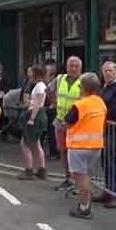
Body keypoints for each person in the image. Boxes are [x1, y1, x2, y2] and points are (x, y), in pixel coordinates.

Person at [65, 72, 107, 219]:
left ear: (82, 87)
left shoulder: (79, 105)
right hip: (96, 146)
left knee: (81, 178)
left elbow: (68, 120)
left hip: (79, 146)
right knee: (87, 176)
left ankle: (84, 207)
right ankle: (85, 204)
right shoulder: (100, 102)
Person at [95, 61, 116, 208]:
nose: (108, 73)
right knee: (106, 162)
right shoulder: (103, 88)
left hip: (113, 131)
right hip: (103, 130)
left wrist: (99, 112)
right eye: (105, 71)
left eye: (111, 71)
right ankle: (108, 191)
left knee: (115, 163)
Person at [51, 56, 83, 191]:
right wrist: (54, 103)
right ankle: (68, 178)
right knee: (63, 151)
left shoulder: (84, 81)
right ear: (67, 67)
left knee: (75, 153)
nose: (74, 68)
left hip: (76, 123)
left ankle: (78, 182)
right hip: (60, 121)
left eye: (76, 66)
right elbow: (49, 90)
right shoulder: (59, 79)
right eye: (71, 65)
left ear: (80, 68)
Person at [17, 65, 48, 180]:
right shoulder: (40, 86)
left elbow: (38, 104)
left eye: (31, 72)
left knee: (25, 143)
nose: (29, 73)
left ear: (36, 74)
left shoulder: (39, 86)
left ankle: (29, 171)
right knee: (36, 143)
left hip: (35, 115)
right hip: (36, 114)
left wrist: (31, 119)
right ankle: (41, 170)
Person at [44, 60, 60, 160]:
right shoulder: (57, 79)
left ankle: (55, 152)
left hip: (56, 109)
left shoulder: (58, 79)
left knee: (53, 132)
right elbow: (48, 89)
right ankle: (54, 151)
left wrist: (53, 103)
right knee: (52, 132)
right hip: (54, 108)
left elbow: (48, 89)